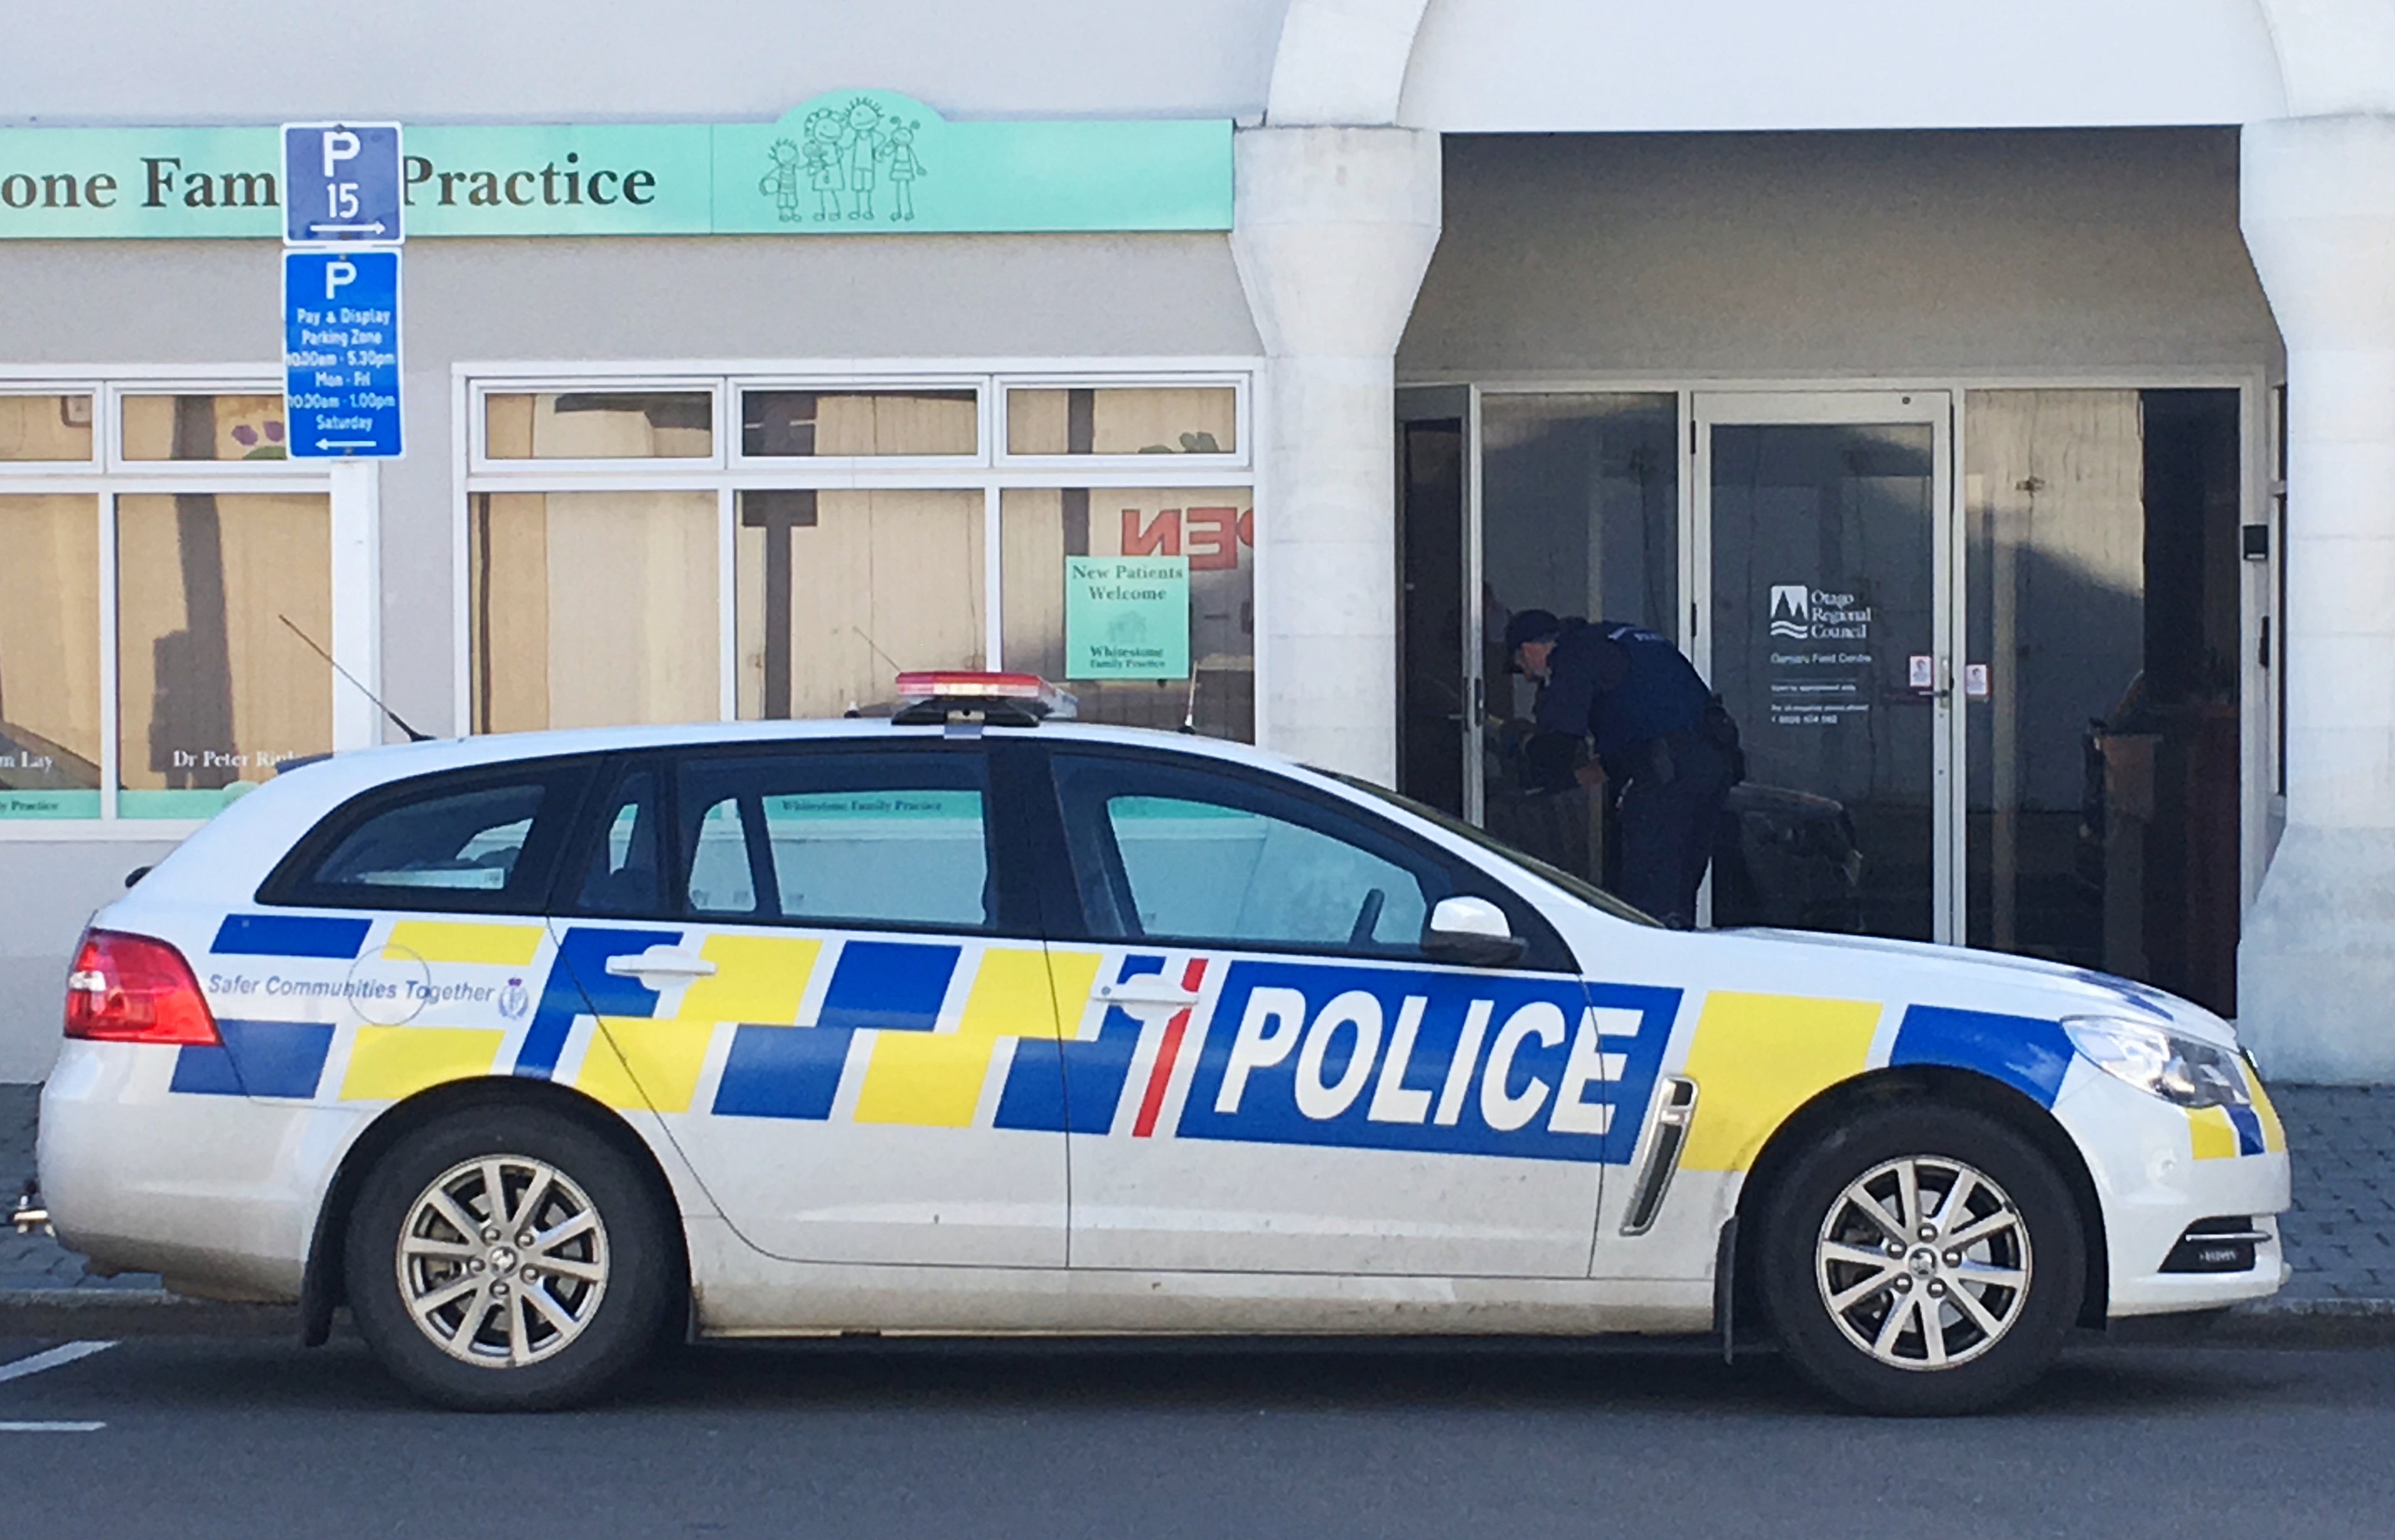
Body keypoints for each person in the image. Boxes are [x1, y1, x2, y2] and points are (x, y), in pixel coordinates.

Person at [1504, 609, 1741, 928]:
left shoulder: (1572, 655)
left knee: (1647, 900)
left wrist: (1527, 761)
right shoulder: (1620, 639)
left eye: (1522, 668)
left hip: (1667, 775)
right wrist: (1575, 780)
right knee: (1680, 889)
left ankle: (1649, 966)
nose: (1531, 678)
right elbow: (1639, 733)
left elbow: (1559, 742)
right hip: (1713, 766)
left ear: (1529, 649)